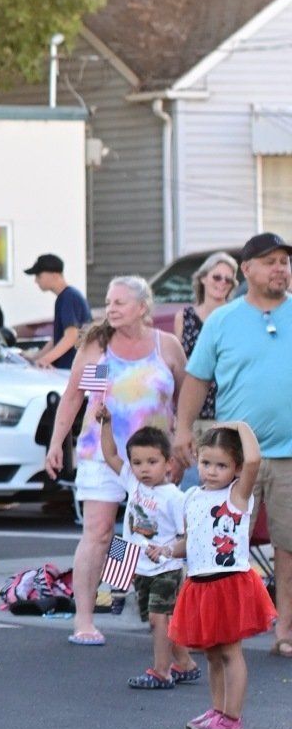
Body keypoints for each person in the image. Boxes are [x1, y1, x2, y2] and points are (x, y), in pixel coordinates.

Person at [170, 230, 292, 657]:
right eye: (271, 262)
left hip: (290, 454)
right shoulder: (223, 320)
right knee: (215, 543)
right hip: (233, 459)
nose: (281, 269)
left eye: (285, 262)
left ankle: (285, 631)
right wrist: (183, 430)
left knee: (288, 547)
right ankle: (216, 630)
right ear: (248, 269)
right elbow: (197, 378)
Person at [44, 276, 180, 644]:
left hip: (153, 460)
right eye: (108, 302)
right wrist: (56, 443)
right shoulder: (99, 348)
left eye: (119, 302)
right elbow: (77, 396)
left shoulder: (165, 346)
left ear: (142, 307)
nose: (111, 308)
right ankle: (84, 619)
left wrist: (184, 440)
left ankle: (151, 607)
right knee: (99, 531)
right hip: (102, 453)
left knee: (151, 533)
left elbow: (185, 396)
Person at [169, 419, 271, 729]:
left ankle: (232, 717)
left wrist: (239, 425)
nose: (212, 471)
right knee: (212, 653)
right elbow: (190, 540)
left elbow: (254, 460)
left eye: (221, 465)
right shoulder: (192, 497)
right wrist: (167, 550)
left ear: (236, 468)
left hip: (228, 583)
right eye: (206, 463)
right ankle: (217, 710)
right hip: (200, 584)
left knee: (230, 651)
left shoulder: (237, 495)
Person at [93, 415, 193, 688]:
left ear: (168, 463)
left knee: (158, 619)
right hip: (138, 564)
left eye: (152, 462)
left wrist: (167, 551)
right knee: (157, 620)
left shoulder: (174, 497)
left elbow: (187, 535)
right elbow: (110, 454)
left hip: (166, 567)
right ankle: (185, 663)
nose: (144, 469)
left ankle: (161, 672)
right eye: (137, 463)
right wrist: (106, 424)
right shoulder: (133, 483)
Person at [25, 253, 90, 369]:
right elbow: (57, 338)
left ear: (54, 275)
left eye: (38, 275)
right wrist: (35, 358)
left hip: (74, 369)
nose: (36, 281)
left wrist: (45, 360)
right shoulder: (64, 297)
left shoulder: (69, 297)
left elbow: (71, 336)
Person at [179, 252, 238, 367]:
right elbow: (179, 362)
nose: (222, 282)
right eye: (217, 277)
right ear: (203, 278)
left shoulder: (236, 316)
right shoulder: (184, 316)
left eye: (228, 280)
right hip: (193, 378)